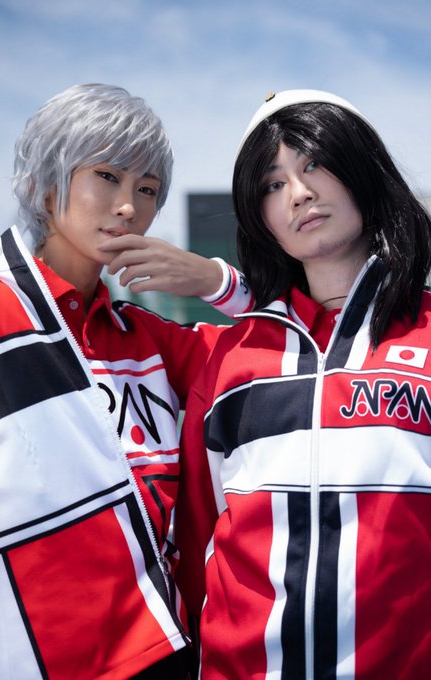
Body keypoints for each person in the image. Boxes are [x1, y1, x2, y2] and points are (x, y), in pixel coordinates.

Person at [0, 83, 250, 680]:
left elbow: (293, 351)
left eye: (147, 189)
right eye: (106, 176)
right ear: (46, 183)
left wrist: (215, 281)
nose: (128, 206)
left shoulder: (147, 336)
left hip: (173, 646)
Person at [175, 89, 431, 679]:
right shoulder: (233, 359)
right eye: (272, 183)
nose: (298, 193)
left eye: (314, 163)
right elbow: (197, 538)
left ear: (362, 167)